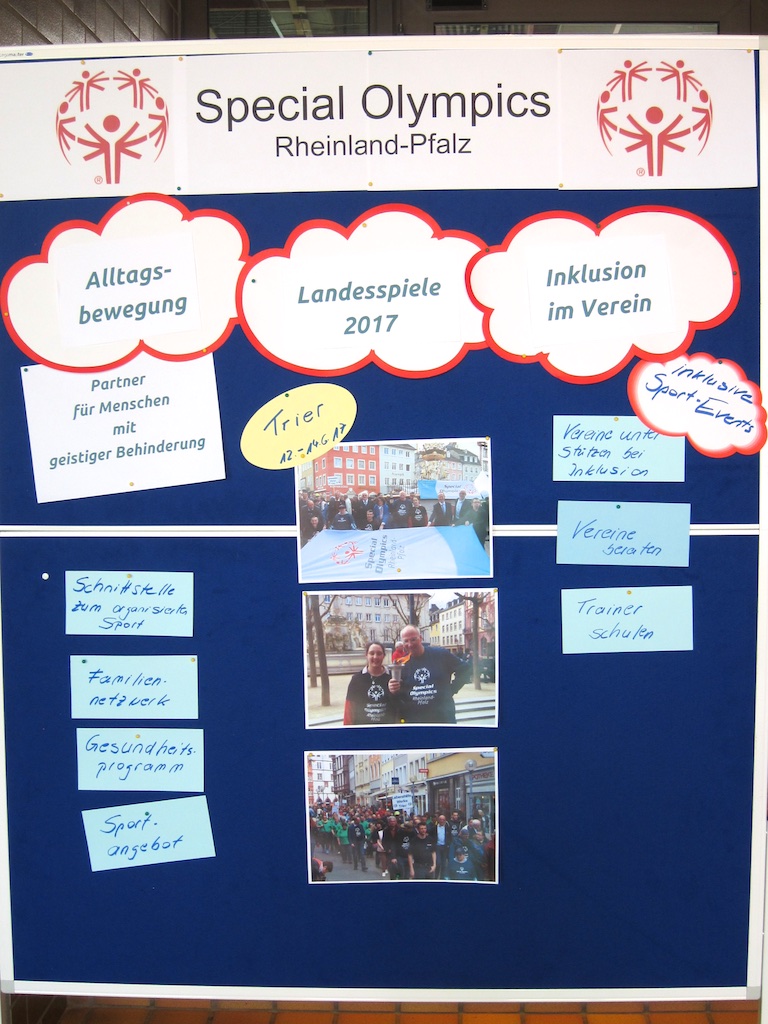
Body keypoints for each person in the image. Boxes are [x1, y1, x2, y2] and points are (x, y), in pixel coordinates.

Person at [392, 625, 470, 724]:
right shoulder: (401, 663)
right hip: (416, 720)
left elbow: (465, 669)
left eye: (413, 639)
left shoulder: (440, 654)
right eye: (406, 641)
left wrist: (451, 689)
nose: (410, 644)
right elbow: (400, 692)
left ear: (421, 638)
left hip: (442, 718)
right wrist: (393, 688)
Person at [343, 642, 395, 725]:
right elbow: (349, 708)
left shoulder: (392, 678)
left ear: (384, 656)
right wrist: (347, 729)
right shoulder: (357, 679)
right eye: (372, 653)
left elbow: (398, 706)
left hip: (386, 729)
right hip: (363, 729)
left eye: (379, 653)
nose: (375, 657)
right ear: (366, 655)